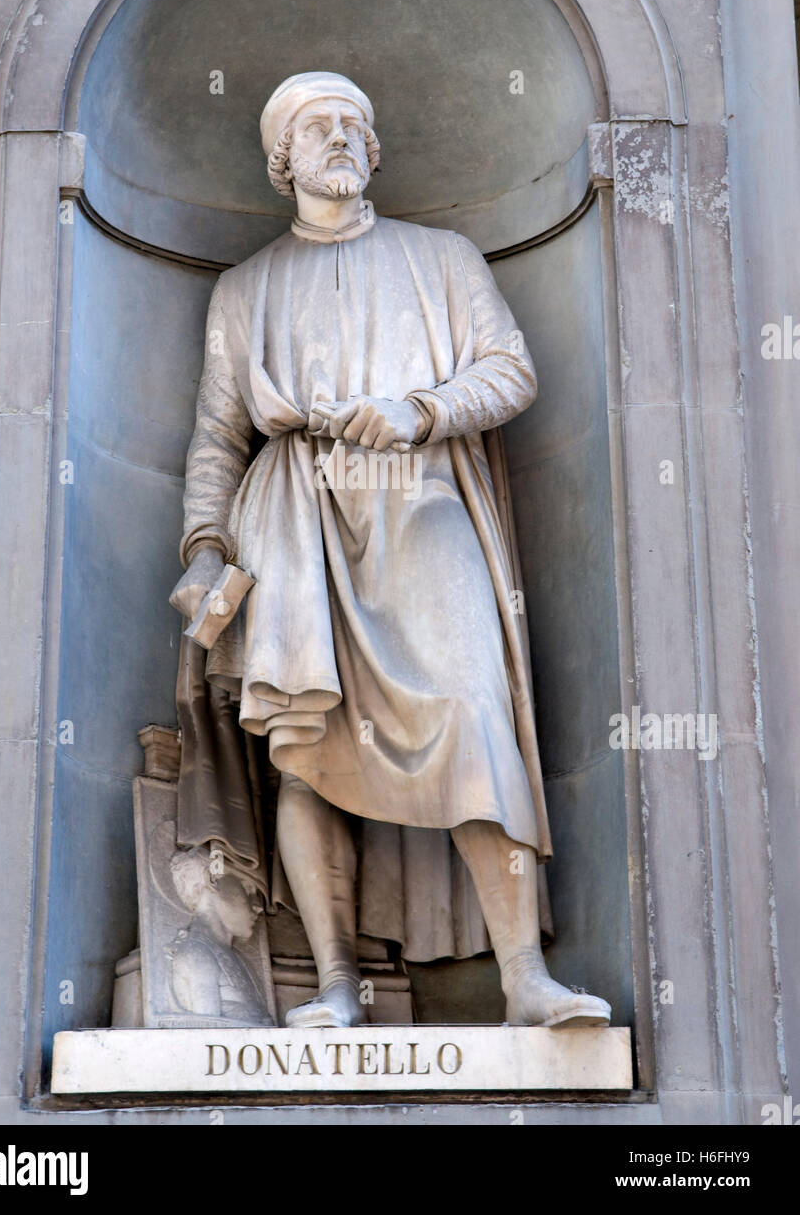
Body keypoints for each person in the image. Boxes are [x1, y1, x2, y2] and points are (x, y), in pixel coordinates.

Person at [171, 72, 610, 1029]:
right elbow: (217, 434)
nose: (338, 139)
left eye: (353, 127)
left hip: (417, 500)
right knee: (302, 742)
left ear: (373, 151)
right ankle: (334, 986)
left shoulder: (441, 257)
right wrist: (205, 546)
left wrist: (419, 411)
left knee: (470, 710)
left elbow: (510, 370)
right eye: (316, 128)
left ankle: (523, 978)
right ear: (282, 160)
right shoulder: (243, 290)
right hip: (291, 510)